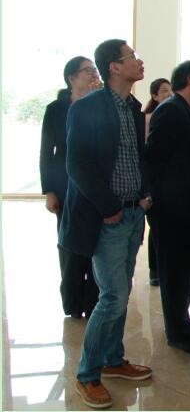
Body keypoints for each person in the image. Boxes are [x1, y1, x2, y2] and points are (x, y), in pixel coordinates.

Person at [59, 39, 152, 409]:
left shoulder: (132, 107)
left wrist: (144, 195)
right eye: (132, 57)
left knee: (121, 291)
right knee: (112, 295)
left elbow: (138, 157)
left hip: (133, 213)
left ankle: (113, 359)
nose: (139, 61)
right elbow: (76, 164)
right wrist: (108, 206)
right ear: (114, 66)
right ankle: (87, 375)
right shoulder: (88, 107)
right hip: (107, 217)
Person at [146, 61, 190, 355]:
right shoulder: (170, 110)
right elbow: (154, 160)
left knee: (188, 269)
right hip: (174, 210)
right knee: (175, 273)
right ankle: (177, 332)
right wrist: (161, 202)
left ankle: (183, 319)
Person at [40, 56, 102, 319]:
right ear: (71, 78)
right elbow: (47, 152)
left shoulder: (100, 104)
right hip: (65, 185)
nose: (93, 74)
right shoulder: (56, 108)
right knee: (69, 245)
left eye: (94, 69)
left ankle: (92, 301)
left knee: (95, 244)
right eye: (88, 70)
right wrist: (49, 191)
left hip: (95, 186)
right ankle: (72, 302)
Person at [141, 78, 172, 287]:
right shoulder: (148, 118)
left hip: (169, 181)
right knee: (157, 227)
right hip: (154, 180)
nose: (168, 95)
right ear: (154, 96)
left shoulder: (174, 115)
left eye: (170, 91)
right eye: (163, 91)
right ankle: (155, 270)